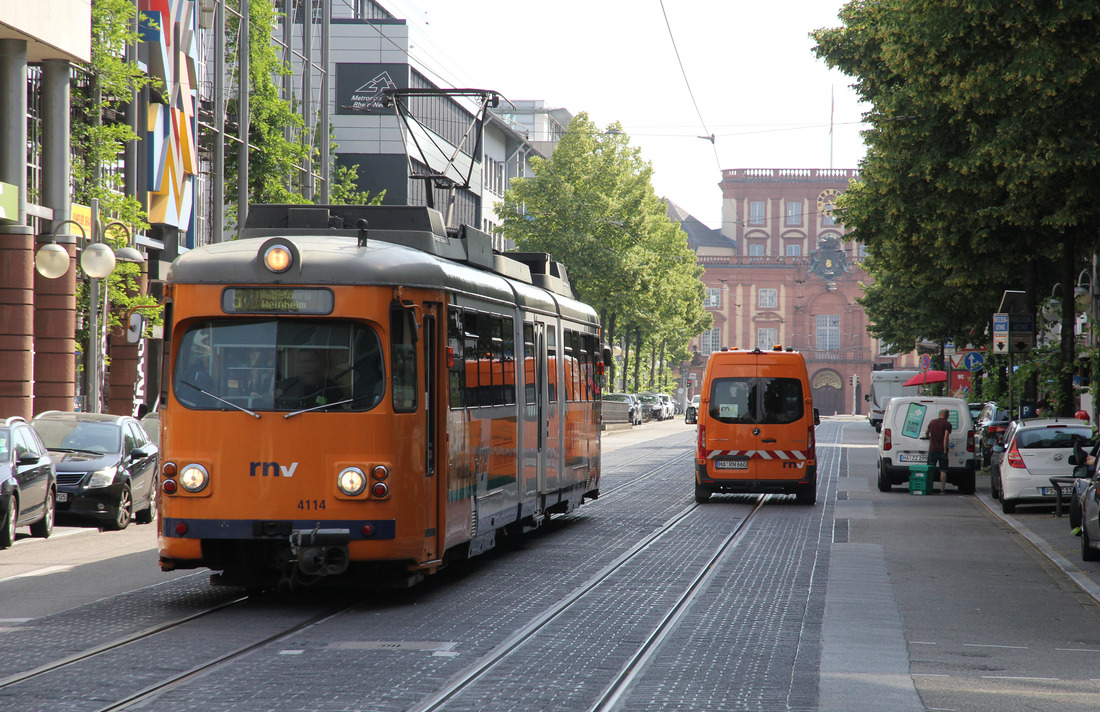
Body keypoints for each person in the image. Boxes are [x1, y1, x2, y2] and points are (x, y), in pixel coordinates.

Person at [275, 349, 345, 410]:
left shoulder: (332, 388)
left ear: (318, 363)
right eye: (303, 362)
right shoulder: (285, 386)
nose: (306, 366)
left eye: (310, 361)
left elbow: (341, 410)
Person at [925, 408, 953, 494]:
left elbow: (926, 432)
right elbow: (946, 437)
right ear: (948, 415)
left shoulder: (932, 422)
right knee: (943, 470)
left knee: (930, 469)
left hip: (932, 449)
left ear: (940, 414)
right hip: (942, 450)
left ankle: (929, 487)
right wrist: (945, 449)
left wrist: (929, 438)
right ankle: (942, 489)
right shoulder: (947, 424)